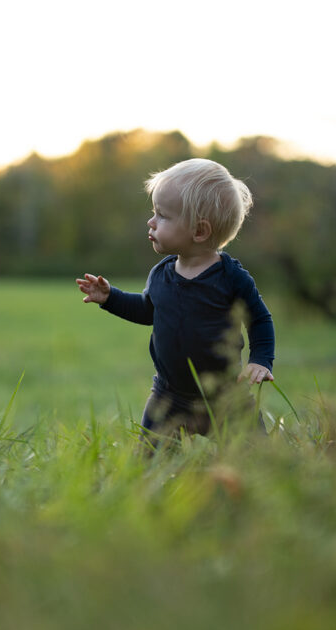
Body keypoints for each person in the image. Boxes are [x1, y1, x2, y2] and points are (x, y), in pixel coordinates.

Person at [76, 158, 275, 446]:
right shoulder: (161, 273)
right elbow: (148, 310)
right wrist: (110, 298)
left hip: (225, 395)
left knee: (256, 458)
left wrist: (260, 360)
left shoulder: (232, 278)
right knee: (149, 458)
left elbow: (259, 319)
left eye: (162, 215)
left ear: (199, 231)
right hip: (169, 395)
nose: (151, 221)